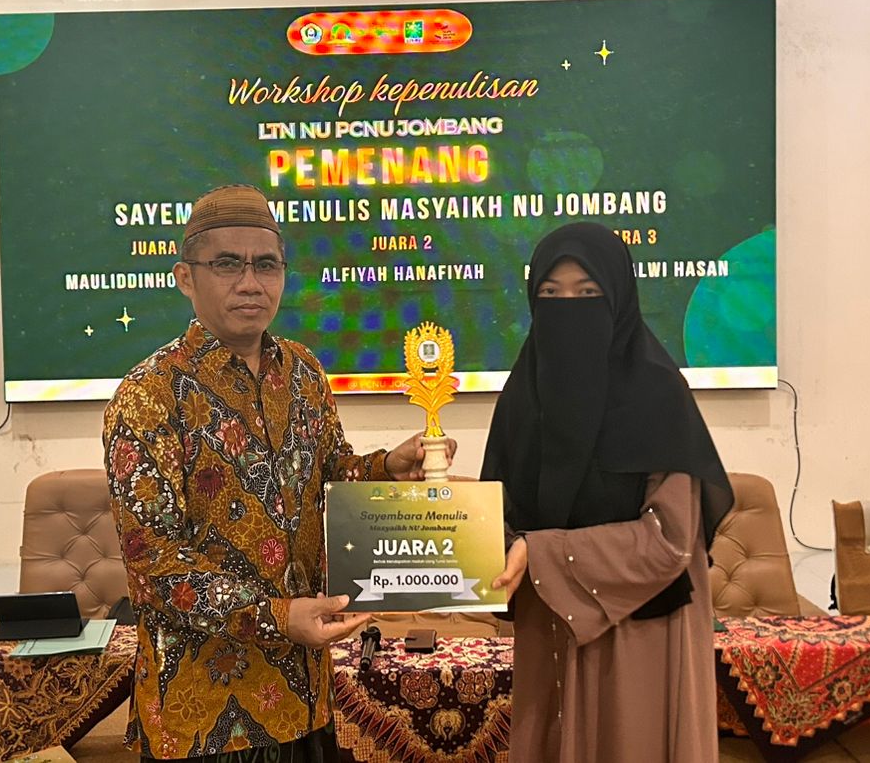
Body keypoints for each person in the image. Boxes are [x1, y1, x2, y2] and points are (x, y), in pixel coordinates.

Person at [103, 184, 440, 762]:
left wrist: (386, 467)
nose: (250, 283)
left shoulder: (304, 372)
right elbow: (154, 563)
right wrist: (277, 617)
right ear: (185, 278)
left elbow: (329, 476)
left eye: (265, 265)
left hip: (305, 697)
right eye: (226, 264)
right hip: (203, 717)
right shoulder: (149, 395)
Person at [485, 222, 734, 762]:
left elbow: (669, 540)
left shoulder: (658, 395)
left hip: (642, 631)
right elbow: (494, 517)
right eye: (550, 294)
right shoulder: (523, 398)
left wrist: (539, 552)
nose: (567, 308)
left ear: (618, 298)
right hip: (549, 628)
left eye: (587, 293)